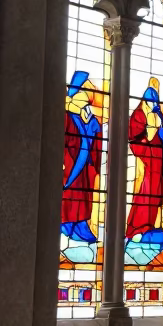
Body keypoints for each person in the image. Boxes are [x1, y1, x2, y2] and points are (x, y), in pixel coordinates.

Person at [125, 77, 163, 266]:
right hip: (147, 159)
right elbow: (134, 136)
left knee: (156, 195)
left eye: (156, 101)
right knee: (146, 194)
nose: (154, 104)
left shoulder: (157, 113)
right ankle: (136, 229)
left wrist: (160, 122)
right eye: (151, 101)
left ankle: (149, 228)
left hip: (158, 160)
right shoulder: (138, 114)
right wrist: (149, 140)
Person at [61, 70, 102, 261]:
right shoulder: (67, 117)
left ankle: (80, 225)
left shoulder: (87, 120)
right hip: (70, 167)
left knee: (84, 194)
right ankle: (67, 225)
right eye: (84, 102)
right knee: (70, 196)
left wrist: (93, 129)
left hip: (84, 168)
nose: (87, 106)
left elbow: (92, 143)